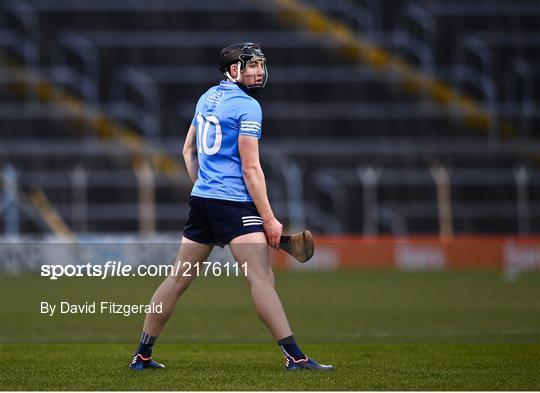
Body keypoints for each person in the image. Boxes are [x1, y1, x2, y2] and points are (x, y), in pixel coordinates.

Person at [129, 43, 333, 371]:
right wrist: (269, 219)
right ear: (233, 69)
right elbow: (251, 169)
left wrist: (202, 187)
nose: (259, 71)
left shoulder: (206, 97)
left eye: (262, 65)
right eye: (252, 65)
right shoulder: (248, 107)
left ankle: (142, 355)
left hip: (203, 201)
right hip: (235, 202)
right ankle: (296, 358)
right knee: (261, 278)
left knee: (178, 278)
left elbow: (187, 151)